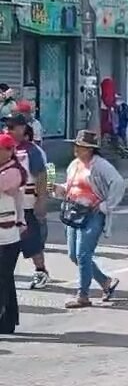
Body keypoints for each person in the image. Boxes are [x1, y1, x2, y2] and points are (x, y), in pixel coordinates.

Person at [54, 130, 125, 308]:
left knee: (83, 254)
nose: (76, 149)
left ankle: (83, 295)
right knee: (74, 255)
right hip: (75, 212)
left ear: (90, 149)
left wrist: (105, 206)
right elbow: (71, 186)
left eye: (81, 147)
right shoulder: (74, 165)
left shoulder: (101, 166)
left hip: (93, 215)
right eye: (76, 146)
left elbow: (118, 183)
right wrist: (59, 188)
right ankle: (106, 282)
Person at [6, 115, 49, 290]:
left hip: (27, 205)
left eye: (12, 127)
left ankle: (41, 271)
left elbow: (46, 173)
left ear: (24, 129)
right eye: (7, 127)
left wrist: (43, 198)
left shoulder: (34, 150)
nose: (8, 130)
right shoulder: (6, 149)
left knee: (32, 241)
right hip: (7, 205)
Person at [0, 133, 27, 333]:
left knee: (3, 277)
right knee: (6, 278)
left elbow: (47, 172)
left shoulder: (32, 155)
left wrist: (46, 193)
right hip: (14, 221)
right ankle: (8, 321)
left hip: (12, 229)